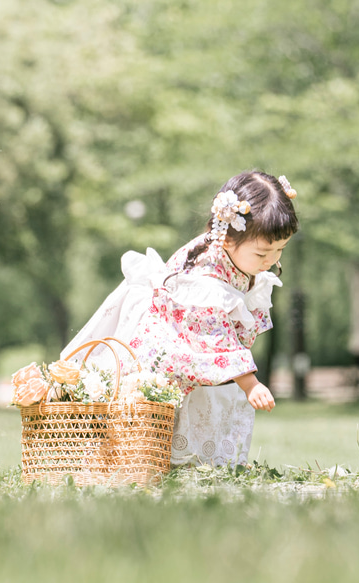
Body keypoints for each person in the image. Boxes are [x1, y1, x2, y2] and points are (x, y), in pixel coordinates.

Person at [60, 170, 299, 467]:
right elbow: (216, 335)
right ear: (227, 239)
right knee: (163, 408)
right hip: (170, 340)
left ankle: (198, 463)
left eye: (280, 249)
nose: (272, 260)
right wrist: (250, 384)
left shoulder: (236, 253)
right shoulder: (206, 275)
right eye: (264, 252)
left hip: (190, 341)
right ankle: (158, 461)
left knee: (202, 404)